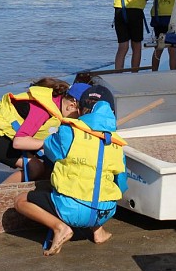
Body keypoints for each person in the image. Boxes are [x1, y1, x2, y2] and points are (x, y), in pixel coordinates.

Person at [13, 85, 128, 256]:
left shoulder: (69, 132)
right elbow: (122, 184)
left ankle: (60, 227)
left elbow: (51, 152)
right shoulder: (117, 143)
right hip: (106, 211)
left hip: (72, 210)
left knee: (21, 201)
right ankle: (99, 232)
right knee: (96, 185)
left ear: (80, 110)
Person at [0, 78, 91, 184]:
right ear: (72, 105)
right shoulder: (42, 110)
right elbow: (19, 142)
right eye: (80, 115)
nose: (79, 120)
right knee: (35, 169)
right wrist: (51, 143)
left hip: (11, 134)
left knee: (52, 168)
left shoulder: (58, 104)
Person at [149, 0, 176, 71]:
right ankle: (173, 72)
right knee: (172, 48)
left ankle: (154, 71)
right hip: (170, 16)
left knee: (158, 46)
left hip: (157, 15)